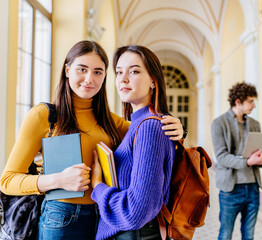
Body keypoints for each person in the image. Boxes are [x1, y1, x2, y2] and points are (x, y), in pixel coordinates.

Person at [0, 41, 184, 240]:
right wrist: (58, 180)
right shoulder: (45, 115)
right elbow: (7, 181)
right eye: (82, 69)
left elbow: (150, 136)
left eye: (98, 72)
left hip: (103, 218)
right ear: (68, 70)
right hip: (61, 217)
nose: (89, 79)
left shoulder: (108, 120)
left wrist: (179, 129)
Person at [90, 45, 175, 240]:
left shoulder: (149, 127)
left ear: (153, 81)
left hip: (133, 234)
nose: (123, 79)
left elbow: (135, 212)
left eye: (134, 71)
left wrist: (98, 186)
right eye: (119, 72)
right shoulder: (138, 123)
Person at [211, 82, 262, 240]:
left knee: (248, 235)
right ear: (238, 101)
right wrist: (248, 162)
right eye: (250, 101)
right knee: (226, 234)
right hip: (231, 190)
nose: (253, 105)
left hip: (253, 188)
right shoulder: (219, 123)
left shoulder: (255, 125)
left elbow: (256, 155)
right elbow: (221, 157)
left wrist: (261, 159)